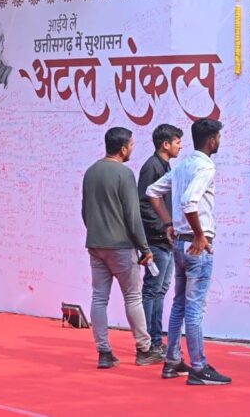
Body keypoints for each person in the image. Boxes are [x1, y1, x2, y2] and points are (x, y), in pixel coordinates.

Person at [146, 118, 231, 385]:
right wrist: (199, 234)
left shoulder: (183, 165)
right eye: (218, 137)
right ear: (211, 140)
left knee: (179, 305)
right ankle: (198, 367)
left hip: (180, 245)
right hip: (195, 246)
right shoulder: (205, 166)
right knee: (194, 309)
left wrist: (170, 224)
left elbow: (152, 191)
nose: (219, 141)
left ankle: (172, 361)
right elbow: (189, 201)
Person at [81, 127, 163, 369]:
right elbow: (133, 215)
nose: (131, 150)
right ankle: (144, 348)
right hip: (121, 245)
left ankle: (104, 351)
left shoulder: (91, 172)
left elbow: (85, 211)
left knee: (99, 297)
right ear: (123, 148)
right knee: (133, 296)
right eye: (131, 145)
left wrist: (96, 231)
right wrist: (144, 247)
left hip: (96, 243)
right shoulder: (124, 174)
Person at [137, 124, 183, 354]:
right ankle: (150, 341)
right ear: (165, 144)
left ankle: (156, 338)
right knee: (153, 289)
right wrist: (162, 228)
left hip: (166, 239)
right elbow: (144, 203)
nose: (180, 146)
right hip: (156, 239)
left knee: (161, 288)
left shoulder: (165, 166)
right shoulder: (151, 167)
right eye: (177, 142)